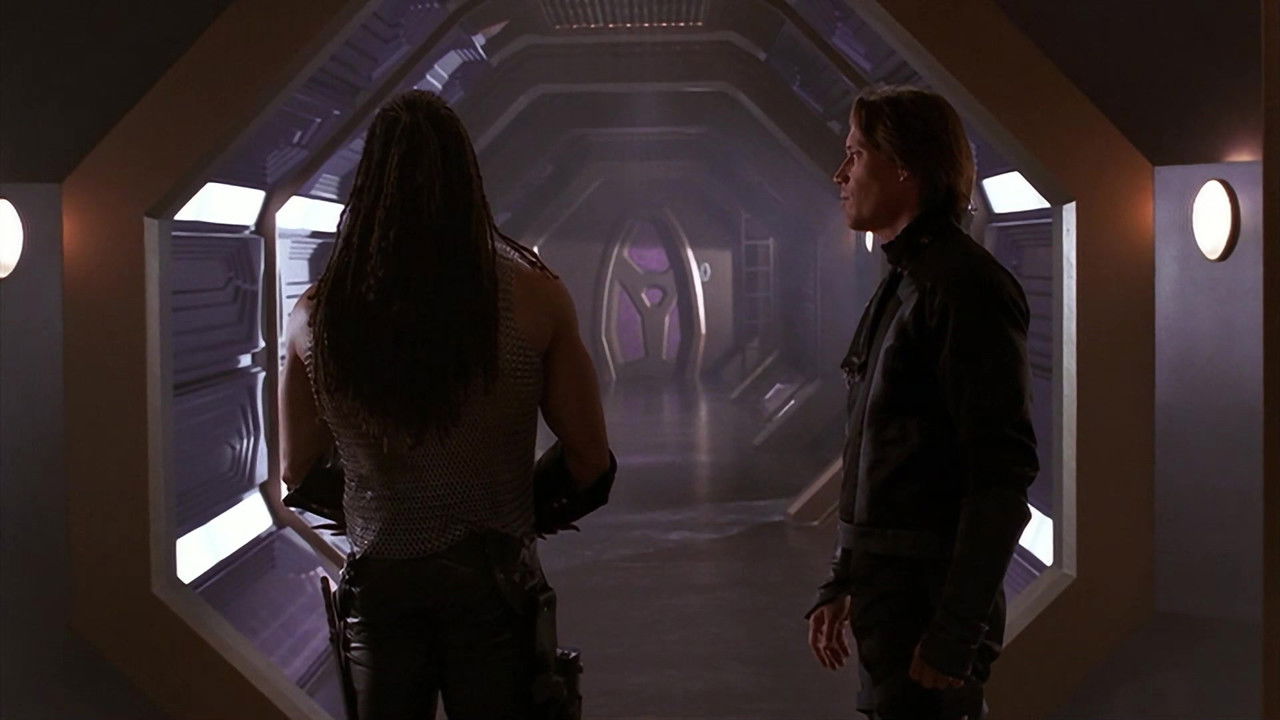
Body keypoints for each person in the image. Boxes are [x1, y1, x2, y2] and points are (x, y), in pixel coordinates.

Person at [278, 89, 612, 720]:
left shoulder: (316, 315)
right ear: (467, 180)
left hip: (379, 586)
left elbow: (298, 469)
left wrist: (389, 512)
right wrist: (513, 510)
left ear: (366, 184)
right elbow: (590, 458)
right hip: (495, 583)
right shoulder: (535, 298)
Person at [805, 86, 1039, 720]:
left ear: (905, 166)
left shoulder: (965, 289)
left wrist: (955, 632)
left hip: (925, 613)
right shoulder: (906, 282)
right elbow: (880, 455)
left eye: (856, 154)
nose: (841, 173)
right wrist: (844, 578)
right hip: (893, 610)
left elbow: (1000, 477)